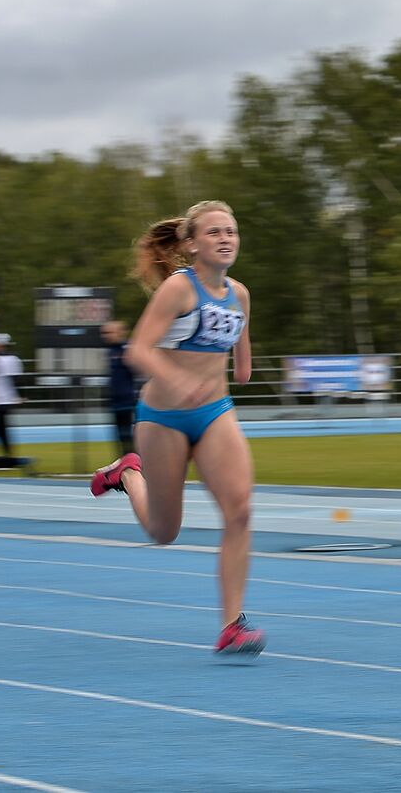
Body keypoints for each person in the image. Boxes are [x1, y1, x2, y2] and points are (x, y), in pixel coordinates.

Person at [87, 200, 265, 656]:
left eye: (232, 231)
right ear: (191, 244)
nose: (226, 239)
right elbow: (138, 351)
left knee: (241, 510)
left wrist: (239, 363)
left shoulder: (239, 294)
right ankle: (129, 473)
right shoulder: (177, 289)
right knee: (165, 532)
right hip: (162, 417)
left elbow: (242, 367)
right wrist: (177, 377)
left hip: (214, 413)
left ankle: (232, 625)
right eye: (214, 232)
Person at [101, 320, 141, 456]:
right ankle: (124, 466)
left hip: (127, 401)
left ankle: (136, 466)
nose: (106, 336)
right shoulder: (110, 351)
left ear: (120, 332)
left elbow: (138, 370)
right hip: (115, 402)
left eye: (109, 332)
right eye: (104, 333)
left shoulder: (127, 349)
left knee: (129, 436)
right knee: (120, 437)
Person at [0, 333, 24, 460]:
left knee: (0, 429)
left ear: (0, 345)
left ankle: (8, 456)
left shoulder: (8, 360)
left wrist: (18, 396)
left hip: (4, 399)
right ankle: (8, 455)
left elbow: (15, 379)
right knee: (0, 429)